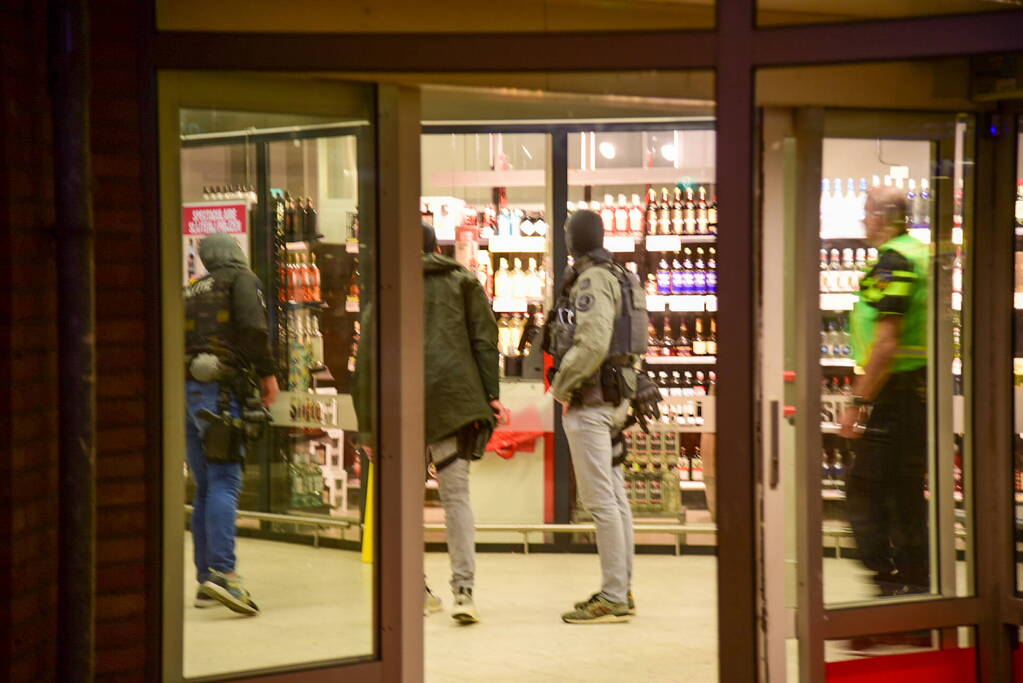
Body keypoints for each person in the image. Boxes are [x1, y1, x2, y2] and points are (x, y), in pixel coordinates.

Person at [546, 209, 646, 624]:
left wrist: (560, 387)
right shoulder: (622, 275)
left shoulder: (591, 280)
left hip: (591, 401)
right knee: (616, 498)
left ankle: (612, 596)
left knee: (600, 502)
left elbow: (590, 344)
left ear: (573, 239)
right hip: (616, 397)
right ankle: (621, 587)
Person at [839, 186, 929, 597]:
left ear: (882, 217)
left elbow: (887, 342)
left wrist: (859, 401)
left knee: (864, 489)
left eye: (867, 212)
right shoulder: (919, 253)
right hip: (914, 388)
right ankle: (913, 587)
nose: (863, 220)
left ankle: (889, 584)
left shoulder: (897, 260)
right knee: (904, 493)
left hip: (896, 391)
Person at [184, 233, 279, 615]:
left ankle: (206, 580)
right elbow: (254, 330)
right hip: (222, 392)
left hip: (188, 393)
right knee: (226, 480)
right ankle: (225, 574)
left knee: (205, 485)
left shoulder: (189, 289)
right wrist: (268, 375)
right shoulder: (242, 280)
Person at [422, 223, 510, 624]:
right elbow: (485, 340)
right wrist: (491, 394)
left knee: (403, 504)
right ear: (436, 247)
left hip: (402, 406)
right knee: (456, 498)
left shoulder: (386, 284)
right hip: (454, 403)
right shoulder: (463, 281)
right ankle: (464, 592)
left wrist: (370, 422)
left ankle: (416, 588)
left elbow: (370, 349)